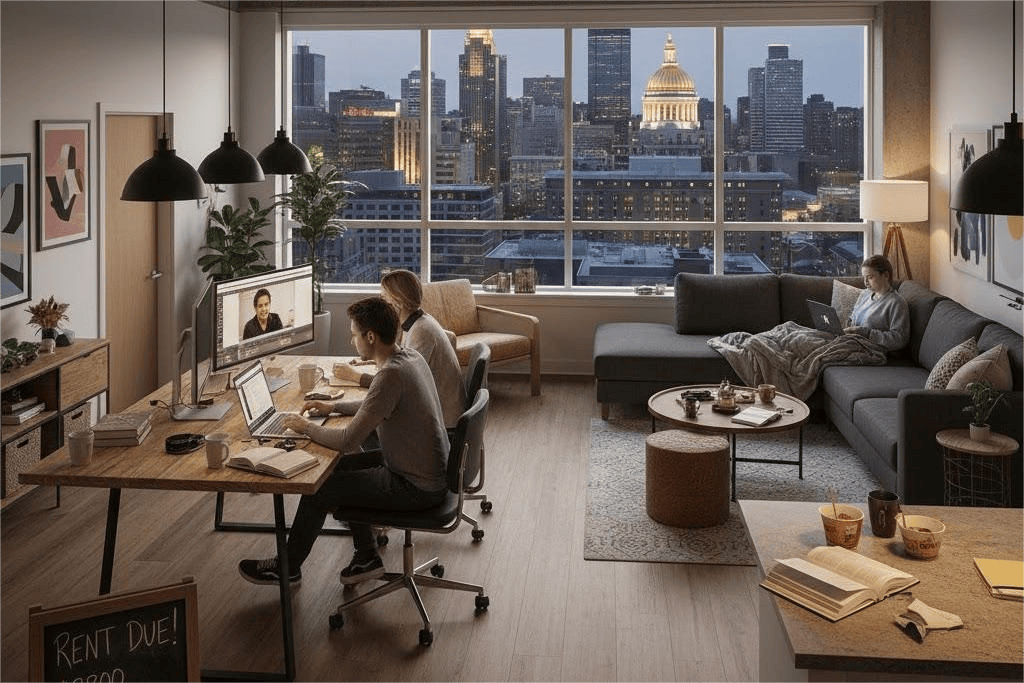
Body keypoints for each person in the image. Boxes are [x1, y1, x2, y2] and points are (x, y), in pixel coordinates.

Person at [238, 296, 450, 586]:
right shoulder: (409, 358)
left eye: (354, 335)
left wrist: (304, 427)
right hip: (426, 472)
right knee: (337, 470)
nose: (352, 342)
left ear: (371, 337)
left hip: (415, 487)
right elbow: (376, 403)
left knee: (320, 489)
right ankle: (365, 555)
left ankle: (287, 567)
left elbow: (347, 439)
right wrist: (333, 407)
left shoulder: (390, 374)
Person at [334, 270, 466, 427]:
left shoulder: (420, 333)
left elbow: (399, 385)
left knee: (355, 425)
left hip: (442, 423)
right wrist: (371, 360)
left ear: (398, 301)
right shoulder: (420, 322)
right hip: (437, 413)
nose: (381, 304)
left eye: (383, 298)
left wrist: (355, 376)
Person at [842, 254, 910, 353]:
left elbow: (899, 339)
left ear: (886, 275)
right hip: (851, 341)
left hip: (869, 350)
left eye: (869, 277)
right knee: (812, 336)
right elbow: (852, 319)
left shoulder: (896, 303)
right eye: (864, 277)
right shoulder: (864, 294)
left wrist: (867, 333)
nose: (865, 282)